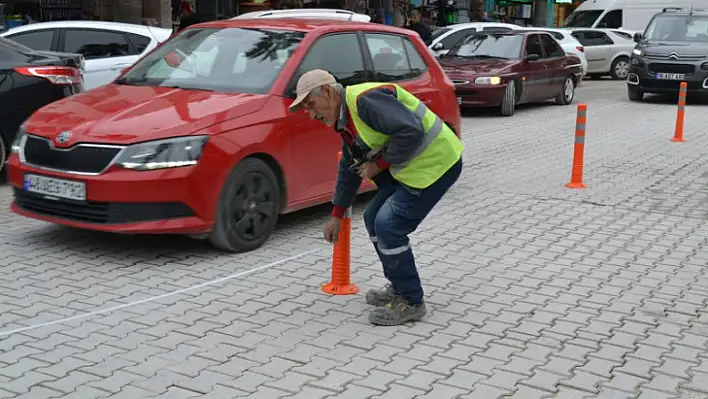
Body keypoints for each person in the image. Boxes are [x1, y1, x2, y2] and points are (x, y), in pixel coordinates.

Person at [288, 70, 464, 326]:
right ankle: (398, 286)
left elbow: (410, 131)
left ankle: (411, 301)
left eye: (310, 104)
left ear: (327, 91)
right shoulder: (346, 119)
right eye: (305, 109)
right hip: (416, 170)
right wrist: (337, 215)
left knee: (388, 225)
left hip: (437, 164)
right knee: (372, 217)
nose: (311, 114)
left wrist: (379, 164)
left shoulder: (364, 101)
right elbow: (349, 168)